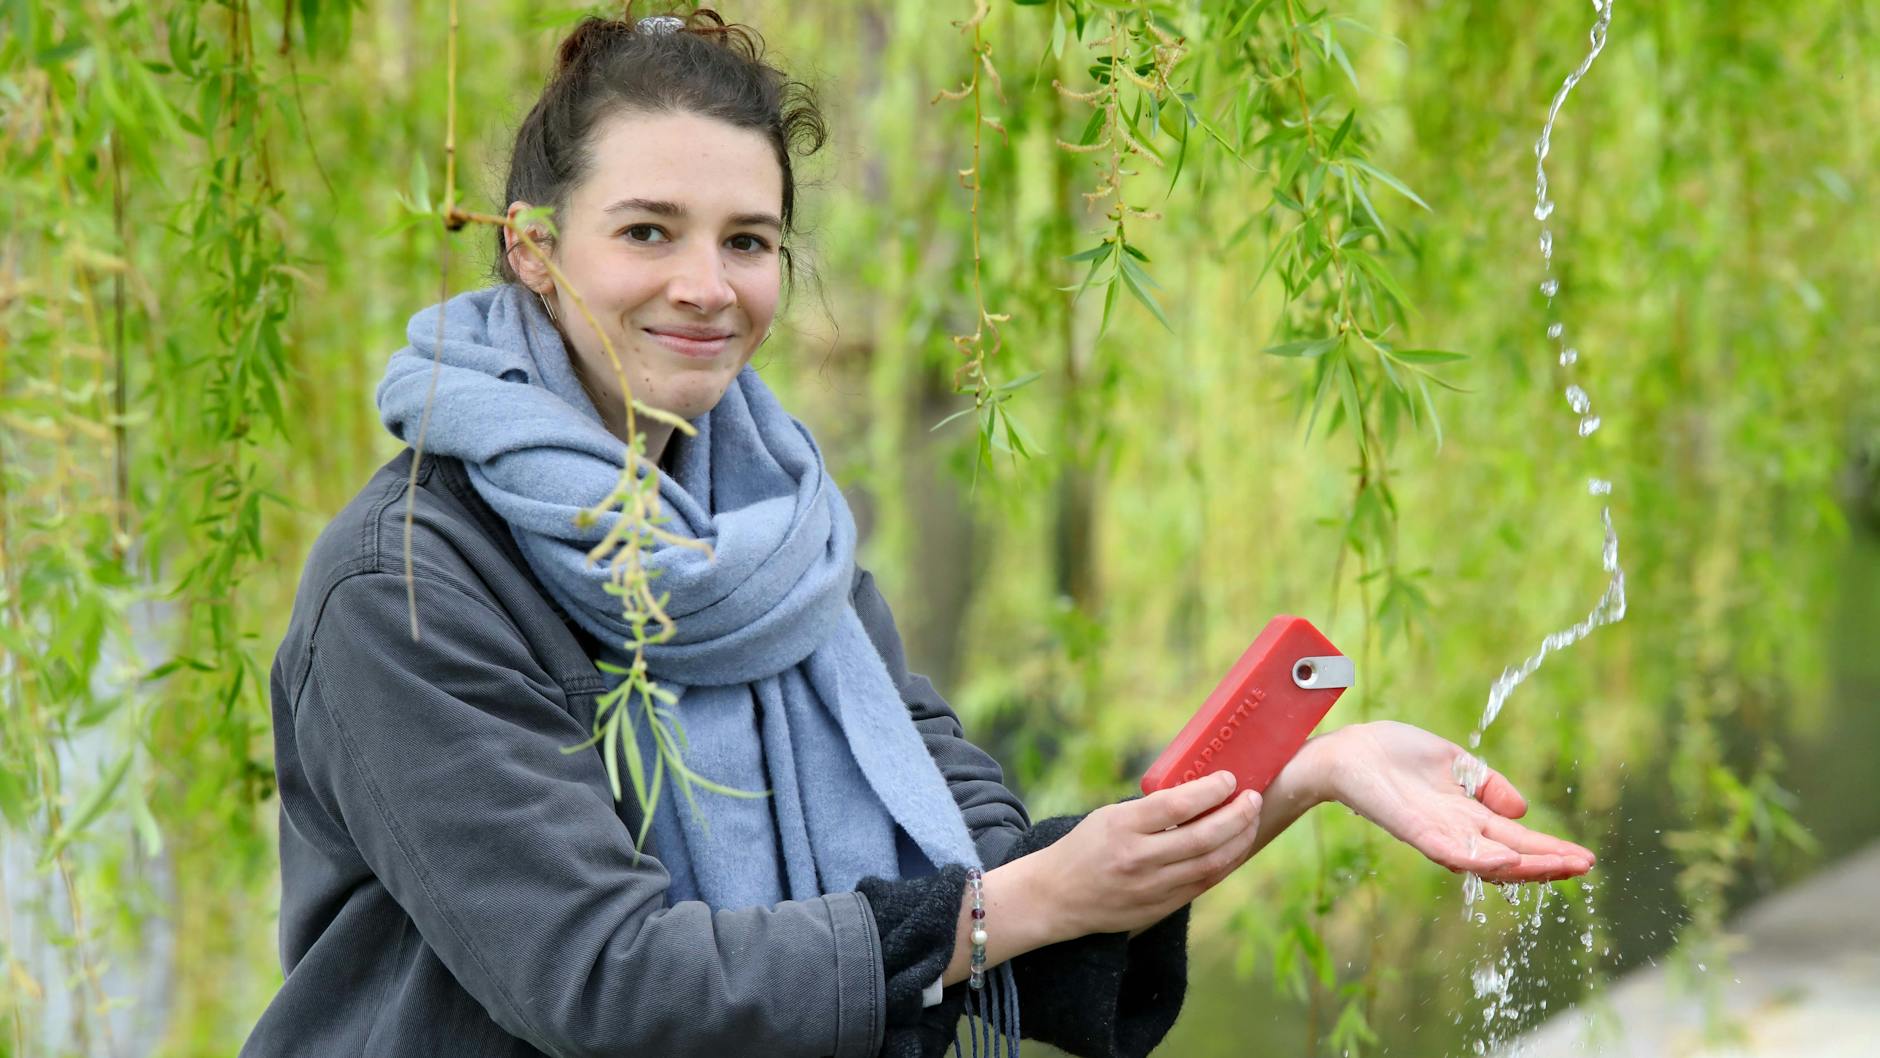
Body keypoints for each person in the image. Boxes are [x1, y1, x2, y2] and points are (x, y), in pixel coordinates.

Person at [239, 9, 1595, 1058]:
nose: (707, 288)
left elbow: (979, 871)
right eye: (647, 230)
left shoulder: (783, 542)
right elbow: (611, 980)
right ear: (533, 247)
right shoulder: (413, 580)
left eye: (751, 241)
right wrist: (1022, 903)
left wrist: (1295, 774)